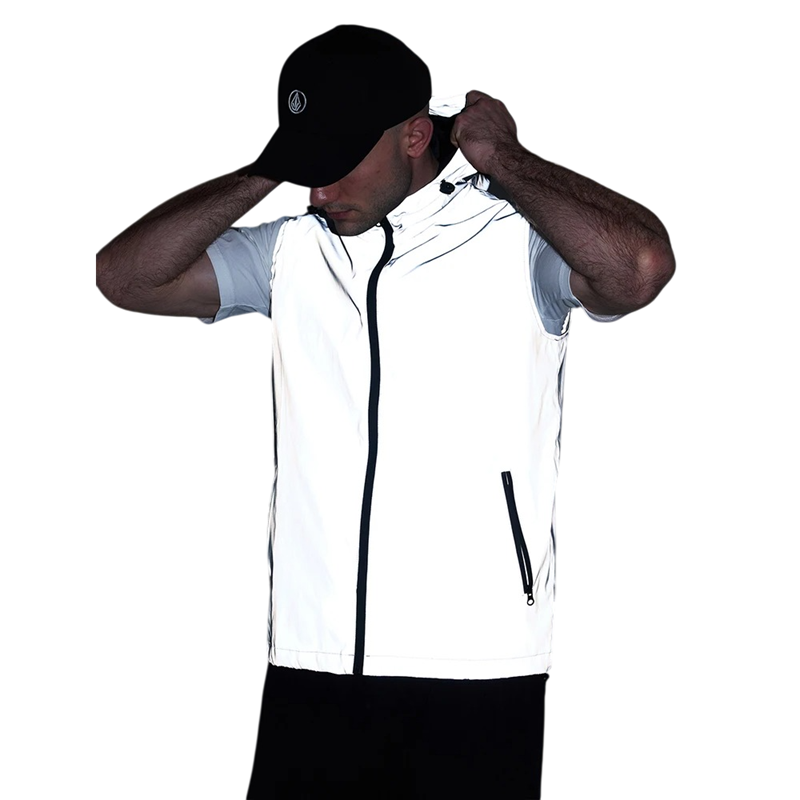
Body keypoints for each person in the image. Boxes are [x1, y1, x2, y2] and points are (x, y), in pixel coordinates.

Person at [96, 24, 674, 800]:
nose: (319, 191)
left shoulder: (516, 243)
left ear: (414, 135)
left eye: (337, 163)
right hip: (313, 661)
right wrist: (269, 169)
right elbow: (125, 278)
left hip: (477, 669)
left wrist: (508, 161)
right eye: (309, 167)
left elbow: (639, 269)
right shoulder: (292, 252)